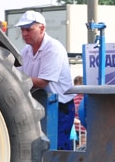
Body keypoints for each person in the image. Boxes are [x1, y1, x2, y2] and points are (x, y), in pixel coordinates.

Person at [13, 10, 75, 150]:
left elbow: (42, 82)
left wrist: (14, 77)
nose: (24, 34)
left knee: (56, 149)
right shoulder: (26, 51)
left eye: (28, 29)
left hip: (59, 108)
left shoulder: (53, 48)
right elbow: (18, 72)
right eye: (22, 30)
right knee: (41, 149)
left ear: (42, 28)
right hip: (40, 104)